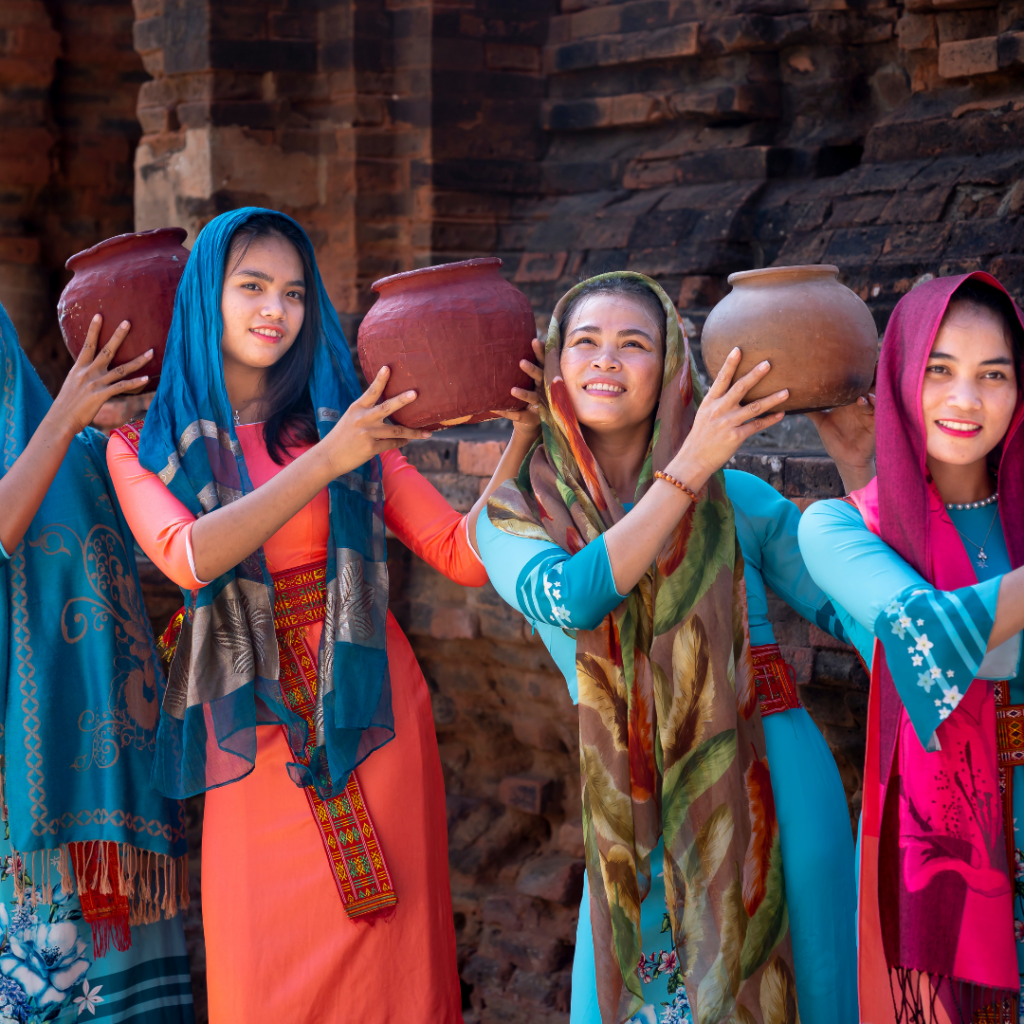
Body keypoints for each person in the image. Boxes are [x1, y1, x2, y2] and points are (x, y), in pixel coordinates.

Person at [105, 207, 543, 1024]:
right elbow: (191, 555)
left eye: (295, 292)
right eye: (253, 287)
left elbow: (462, 555)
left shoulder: (338, 422)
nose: (277, 308)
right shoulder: (143, 444)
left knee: (394, 968)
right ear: (207, 297)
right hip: (252, 725)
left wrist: (516, 444)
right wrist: (329, 464)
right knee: (261, 964)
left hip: (371, 713)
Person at [479, 271, 813, 1024]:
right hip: (629, 824)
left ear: (670, 368)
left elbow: (871, 611)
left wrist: (855, 449)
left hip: (775, 793)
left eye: (635, 343)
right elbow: (576, 597)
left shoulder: (743, 503)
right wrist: (690, 466)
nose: (607, 359)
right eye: (585, 342)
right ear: (555, 368)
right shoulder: (510, 520)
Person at [799, 272, 1024, 1022]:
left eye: (993, 375)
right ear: (900, 378)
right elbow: (926, 633)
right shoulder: (840, 529)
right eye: (939, 370)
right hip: (944, 862)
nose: (966, 399)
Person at [0, 305, 194, 1023]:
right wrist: (64, 423)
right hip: (20, 820)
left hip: (107, 816)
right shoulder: (52, 441)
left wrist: (106, 423)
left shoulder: (65, 454)